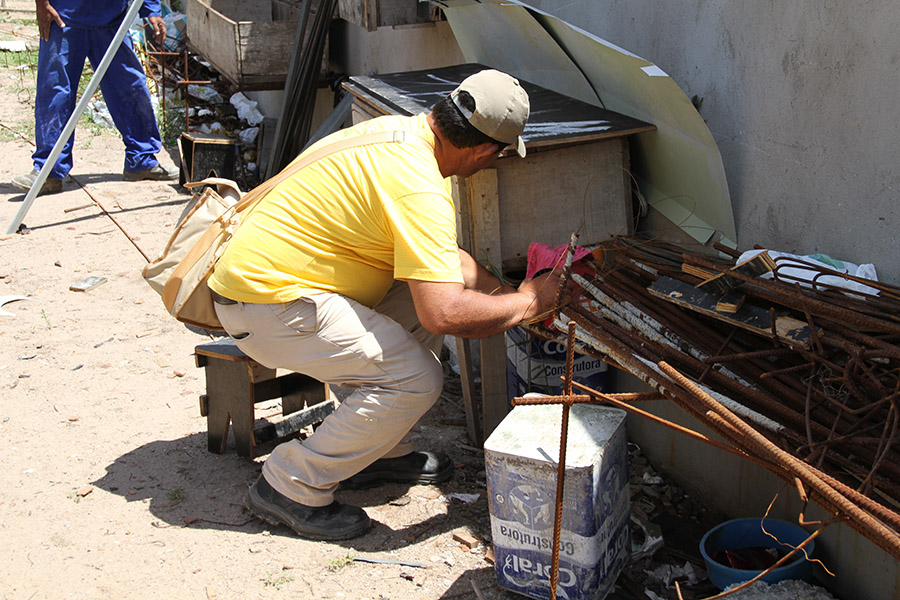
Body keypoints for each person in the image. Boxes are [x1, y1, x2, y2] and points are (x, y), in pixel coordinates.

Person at [207, 69, 561, 541]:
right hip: (265, 305)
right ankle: (289, 485)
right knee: (417, 379)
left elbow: (444, 262)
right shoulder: (418, 185)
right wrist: (530, 303)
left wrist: (506, 292)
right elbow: (447, 314)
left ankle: (377, 453)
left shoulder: (401, 136)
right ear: (482, 150)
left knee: (420, 302)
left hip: (277, 289)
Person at [12, 0, 177, 196]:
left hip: (112, 19)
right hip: (63, 17)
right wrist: (42, 5)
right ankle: (49, 171)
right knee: (55, 93)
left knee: (129, 87)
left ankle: (141, 160)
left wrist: (151, 9)